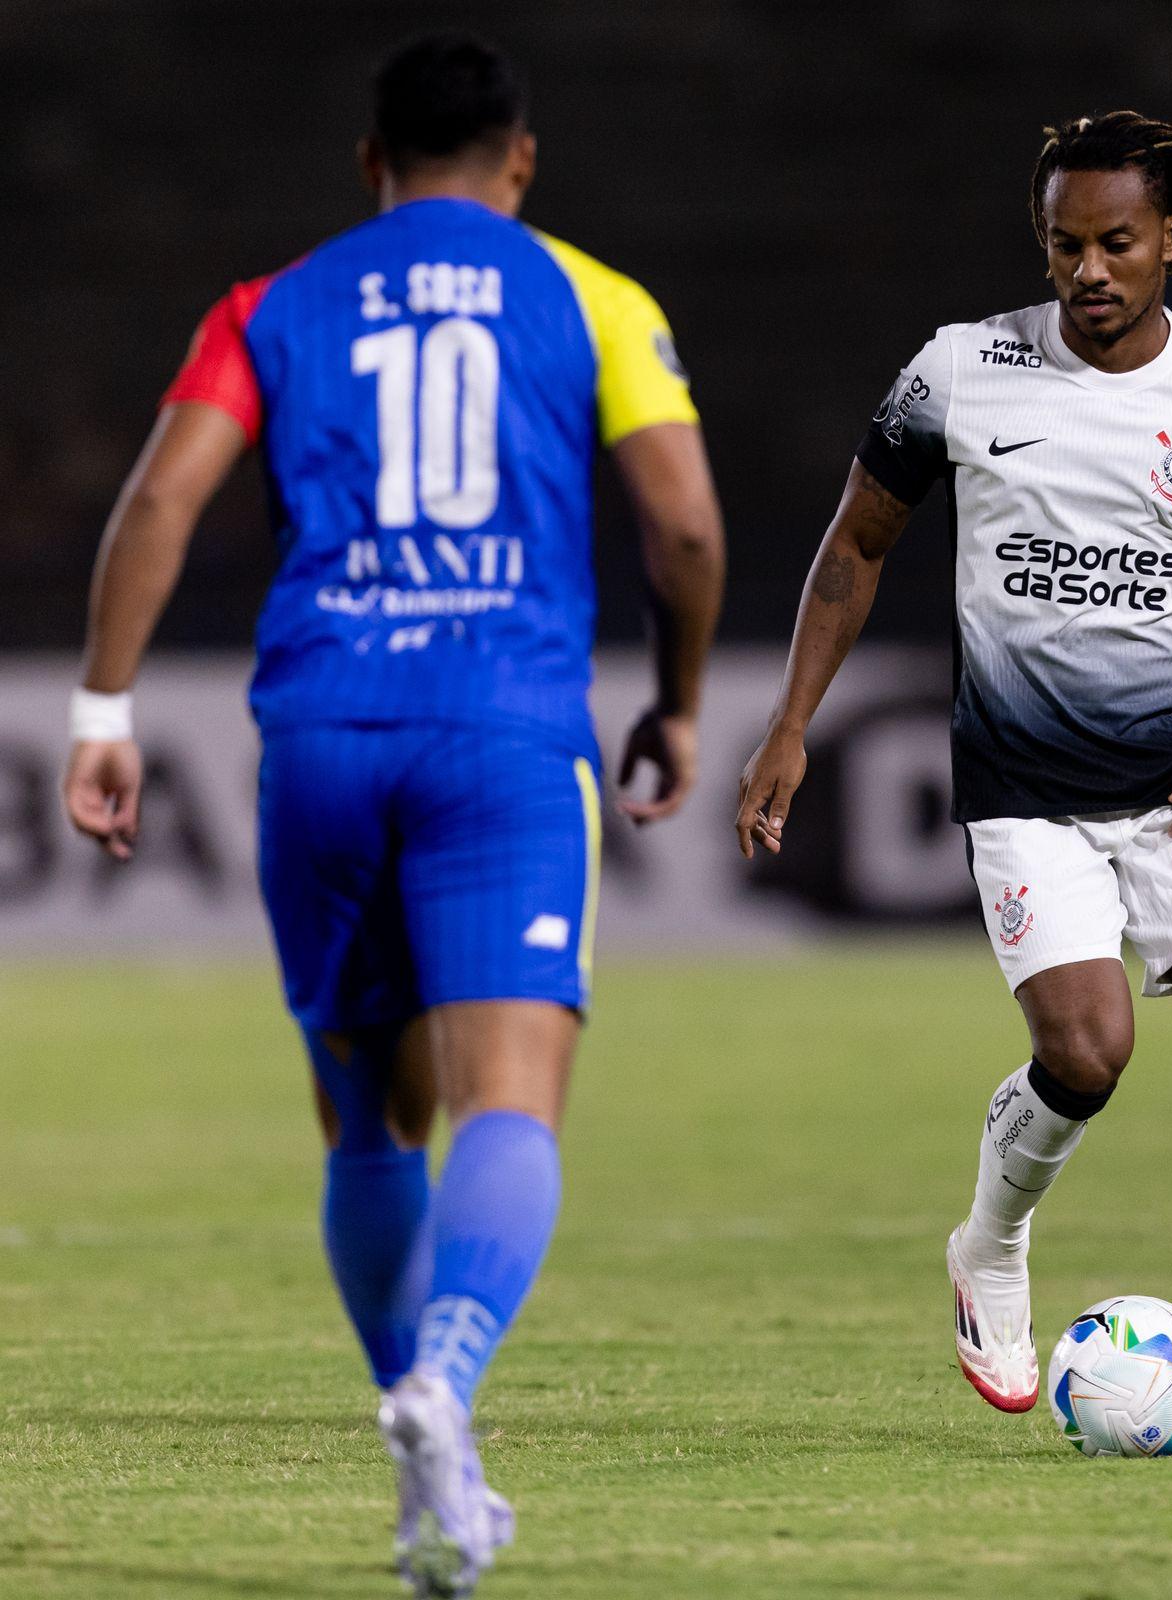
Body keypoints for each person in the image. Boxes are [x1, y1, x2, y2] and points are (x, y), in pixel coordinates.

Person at [63, 32, 725, 1594]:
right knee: (510, 1095)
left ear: (371, 165)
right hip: (499, 729)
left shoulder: (274, 303)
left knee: (369, 1115)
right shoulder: (596, 298)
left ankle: (437, 1459)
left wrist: (105, 707)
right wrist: (682, 697)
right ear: (523, 160)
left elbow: (162, 497)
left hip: (324, 729)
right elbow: (686, 528)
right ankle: (448, 1378)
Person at [736, 111, 1172, 1457]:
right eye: (1065, 244)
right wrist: (790, 724)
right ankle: (988, 1250)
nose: (1089, 271)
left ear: (1169, 235)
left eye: (1117, 242)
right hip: (1022, 786)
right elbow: (855, 545)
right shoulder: (959, 372)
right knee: (1088, 1050)